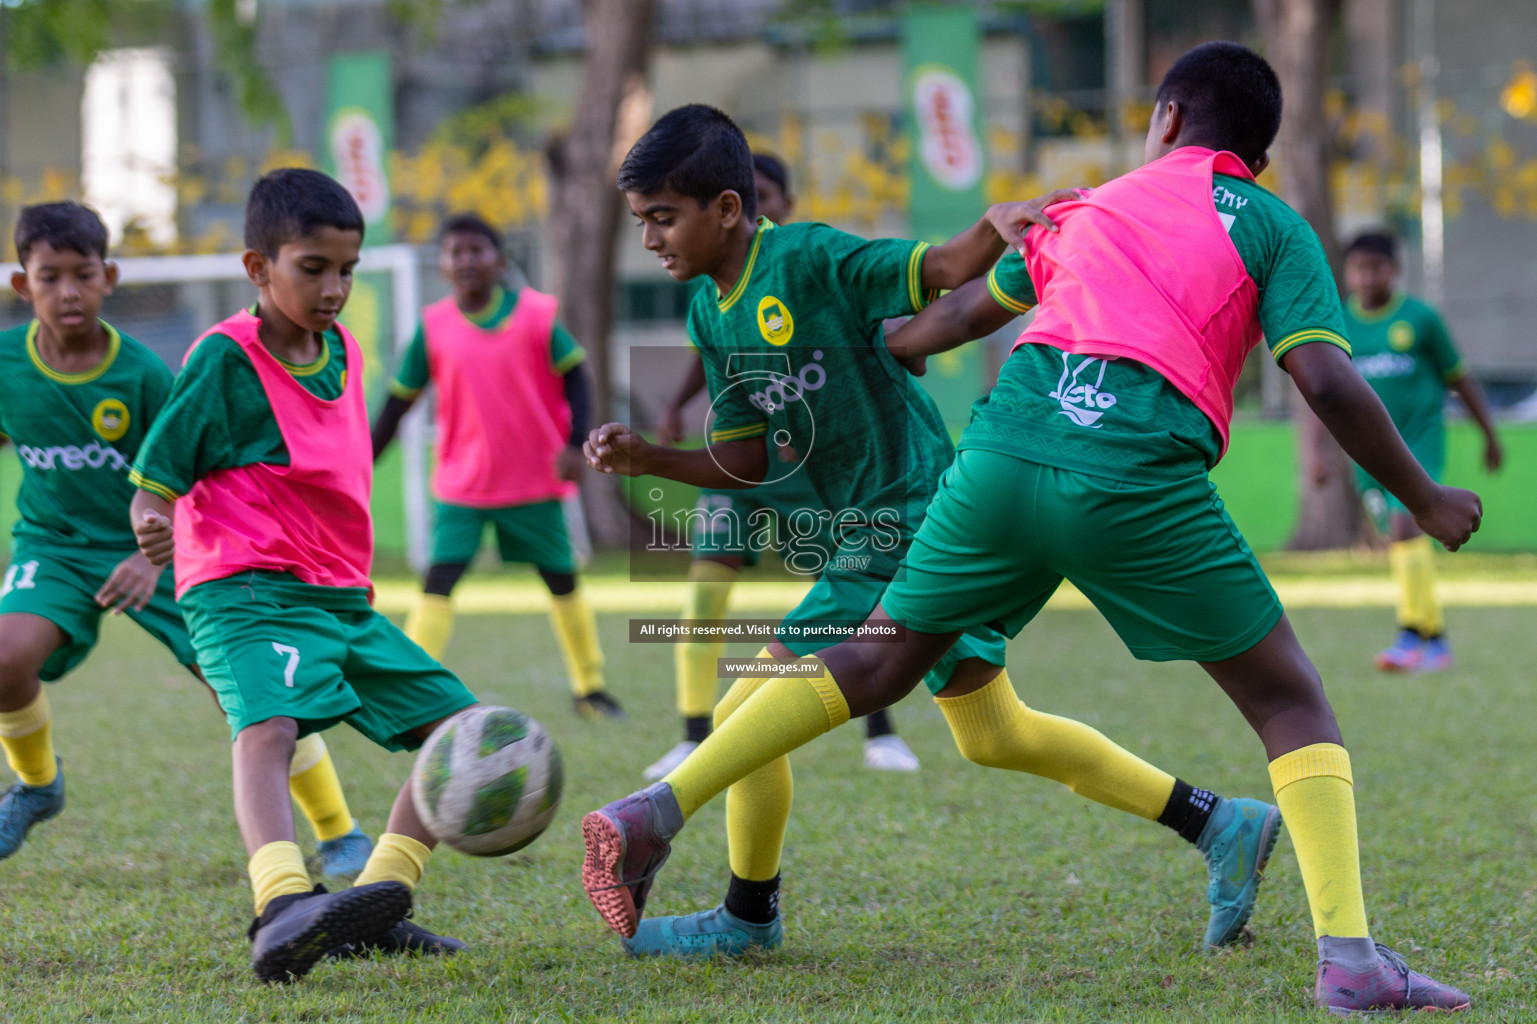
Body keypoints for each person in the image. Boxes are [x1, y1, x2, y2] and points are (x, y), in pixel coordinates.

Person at [579, 46, 1481, 1014]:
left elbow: (958, 297)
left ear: (1165, 119)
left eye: (661, 218)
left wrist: (908, 334)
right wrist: (1426, 499)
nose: (655, 237)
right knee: (1221, 706)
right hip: (1118, 468)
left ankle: (712, 872)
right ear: (1255, 152)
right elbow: (1324, 378)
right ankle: (1294, 902)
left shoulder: (1084, 207)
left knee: (831, 677)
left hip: (976, 475)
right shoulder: (1272, 224)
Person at [580, 103, 1281, 963]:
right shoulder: (709, 316)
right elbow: (746, 456)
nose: (650, 238)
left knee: (740, 710)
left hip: (910, 513)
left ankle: (745, 914)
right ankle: (1222, 823)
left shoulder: (806, 257)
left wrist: (992, 230)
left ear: (726, 209)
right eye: (641, 220)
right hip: (862, 533)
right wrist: (651, 456)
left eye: (662, 216)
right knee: (995, 733)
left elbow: (941, 270)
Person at [128, 169, 481, 982]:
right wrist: (151, 521)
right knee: (269, 728)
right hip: (243, 589)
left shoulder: (347, 349)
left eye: (347, 270)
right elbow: (157, 479)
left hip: (338, 599)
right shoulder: (225, 358)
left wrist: (352, 580)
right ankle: (283, 899)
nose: (335, 288)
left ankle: (377, 901)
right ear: (259, 268)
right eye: (312, 268)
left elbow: (333, 479)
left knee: (462, 736)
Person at [0, 201, 371, 877]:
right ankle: (36, 787)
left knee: (254, 695)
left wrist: (143, 557)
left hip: (167, 549)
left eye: (82, 275)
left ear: (108, 277)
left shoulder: (144, 375)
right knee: (4, 659)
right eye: (49, 277)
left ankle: (339, 830)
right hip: (52, 544)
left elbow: (190, 474)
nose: (68, 292)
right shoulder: (5, 364)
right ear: (23, 286)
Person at [647, 153, 919, 779]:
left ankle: (880, 731)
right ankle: (693, 737)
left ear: (781, 206)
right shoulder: (710, 295)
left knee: (852, 592)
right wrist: (677, 408)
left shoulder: (808, 266)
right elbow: (717, 351)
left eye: (767, 197)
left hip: (812, 468)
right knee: (704, 591)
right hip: (738, 457)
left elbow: (876, 330)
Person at [371, 213, 620, 720]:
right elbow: (398, 404)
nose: (466, 260)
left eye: (476, 251)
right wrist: (361, 463)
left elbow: (578, 378)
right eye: (455, 252)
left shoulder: (537, 315)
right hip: (463, 487)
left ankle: (589, 689)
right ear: (442, 265)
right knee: (438, 582)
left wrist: (576, 443)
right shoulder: (434, 326)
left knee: (562, 581)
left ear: (499, 261)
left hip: (534, 482)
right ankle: (411, 693)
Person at [1338, 230, 1502, 672]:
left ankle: (1409, 635)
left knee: (1406, 524)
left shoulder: (1421, 319)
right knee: (1399, 538)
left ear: (1395, 270)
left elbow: (1459, 377)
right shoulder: (1339, 323)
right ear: (1348, 273)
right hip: (1365, 452)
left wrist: (1489, 433)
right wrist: (1318, 452)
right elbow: (1324, 389)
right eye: (1359, 268)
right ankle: (1436, 641)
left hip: (1418, 445)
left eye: (1376, 267)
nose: (1367, 276)